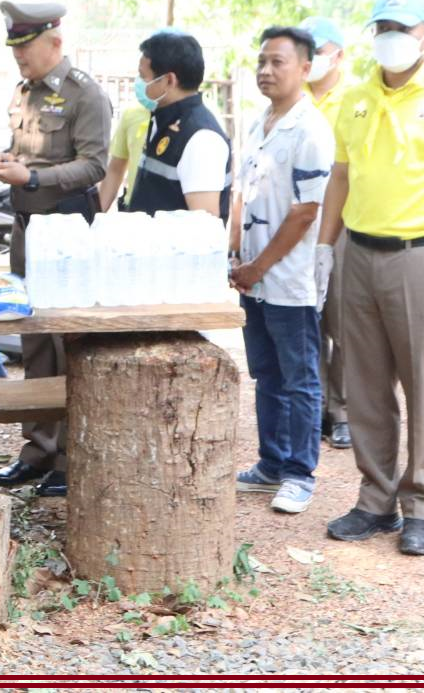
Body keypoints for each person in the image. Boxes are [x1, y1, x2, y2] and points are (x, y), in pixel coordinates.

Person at [317, 0, 424, 557]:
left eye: (403, 28)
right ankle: (375, 500)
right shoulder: (356, 95)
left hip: (420, 257)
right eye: (383, 26)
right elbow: (341, 176)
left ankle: (422, 508)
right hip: (359, 253)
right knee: (365, 385)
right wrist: (325, 245)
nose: (391, 37)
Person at [0, 1, 110, 498]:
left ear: (55, 42)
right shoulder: (25, 92)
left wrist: (33, 178)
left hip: (66, 232)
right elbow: (24, 155)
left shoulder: (84, 93)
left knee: (65, 341)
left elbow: (95, 165)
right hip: (26, 229)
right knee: (33, 339)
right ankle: (36, 449)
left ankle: (69, 458)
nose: (18, 56)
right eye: (14, 47)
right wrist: (0, 163)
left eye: (26, 47)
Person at [228, 27, 335, 515]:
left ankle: (299, 473)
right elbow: (244, 194)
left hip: (289, 280)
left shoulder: (311, 129)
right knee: (266, 372)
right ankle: (271, 463)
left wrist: (258, 266)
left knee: (299, 378)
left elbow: (305, 212)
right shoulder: (260, 123)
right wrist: (237, 254)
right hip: (254, 277)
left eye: (278, 62)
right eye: (262, 62)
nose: (266, 71)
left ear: (305, 69)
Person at [300, 15, 354, 450]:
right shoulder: (292, 98)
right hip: (298, 222)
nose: (313, 59)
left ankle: (343, 410)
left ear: (338, 54)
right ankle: (314, 407)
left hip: (342, 223)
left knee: (344, 321)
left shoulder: (355, 100)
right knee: (307, 318)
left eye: (318, 50)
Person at [125, 29, 232, 219]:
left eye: (143, 77)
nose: (139, 83)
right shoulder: (163, 120)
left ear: (169, 80)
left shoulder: (201, 139)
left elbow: (203, 224)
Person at [99, 102, 151, 212]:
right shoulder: (132, 113)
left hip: (172, 214)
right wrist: (98, 214)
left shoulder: (187, 117)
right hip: (132, 209)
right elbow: (115, 169)